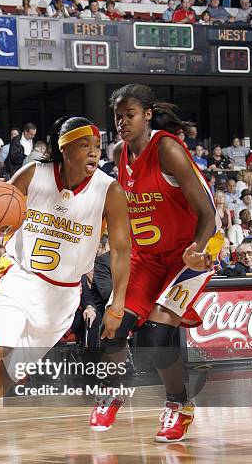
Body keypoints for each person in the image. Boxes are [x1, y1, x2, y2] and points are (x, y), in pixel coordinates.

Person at [0, 116, 131, 457]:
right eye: (84, 145)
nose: (93, 152)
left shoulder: (110, 190)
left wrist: (118, 302)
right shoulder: (35, 174)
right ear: (64, 148)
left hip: (63, 296)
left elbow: (120, 250)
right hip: (20, 276)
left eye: (97, 147)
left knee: (10, 375)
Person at [88, 84, 219, 442]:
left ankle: (179, 404)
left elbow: (208, 213)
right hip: (147, 255)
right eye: (117, 117)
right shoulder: (119, 153)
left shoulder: (167, 150)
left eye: (129, 116)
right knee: (111, 326)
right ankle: (114, 388)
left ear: (147, 115)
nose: (122, 123)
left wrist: (198, 248)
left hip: (189, 254)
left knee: (157, 333)